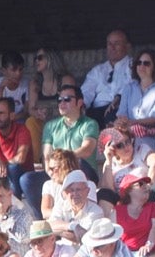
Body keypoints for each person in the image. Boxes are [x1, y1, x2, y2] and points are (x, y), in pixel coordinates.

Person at [20, 84, 100, 216]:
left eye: (67, 99)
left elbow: (87, 150)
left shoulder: (90, 124)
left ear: (79, 102)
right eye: (60, 100)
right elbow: (46, 156)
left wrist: (63, 160)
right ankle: (43, 219)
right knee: (27, 179)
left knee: (78, 162)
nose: (62, 103)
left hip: (81, 172)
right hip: (56, 172)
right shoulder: (50, 126)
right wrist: (52, 171)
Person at [26, 48, 75, 159]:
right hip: (43, 121)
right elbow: (31, 109)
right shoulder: (35, 83)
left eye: (40, 58)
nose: (36, 61)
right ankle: (37, 161)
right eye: (35, 59)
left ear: (51, 58)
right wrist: (37, 113)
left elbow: (72, 103)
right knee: (31, 122)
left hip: (62, 119)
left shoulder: (65, 79)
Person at [116, 48, 155, 148]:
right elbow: (122, 113)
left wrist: (134, 123)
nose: (141, 66)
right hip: (127, 135)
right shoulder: (128, 88)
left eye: (146, 63)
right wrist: (127, 125)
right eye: (139, 63)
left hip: (149, 137)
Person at [81, 30, 133, 126]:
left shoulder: (134, 65)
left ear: (127, 46)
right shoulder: (98, 70)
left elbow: (133, 85)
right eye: (109, 44)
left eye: (117, 44)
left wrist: (119, 98)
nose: (112, 48)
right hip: (97, 111)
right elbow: (86, 91)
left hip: (121, 109)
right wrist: (81, 106)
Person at [97, 123, 155, 199]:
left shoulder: (140, 150)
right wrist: (108, 160)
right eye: (119, 145)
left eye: (127, 141)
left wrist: (148, 185)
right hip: (124, 201)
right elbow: (108, 191)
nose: (126, 147)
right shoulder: (109, 164)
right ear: (112, 149)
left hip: (147, 196)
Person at [49, 170, 104, 244]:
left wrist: (58, 230)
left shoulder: (96, 211)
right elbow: (50, 226)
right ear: (65, 193)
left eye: (78, 190)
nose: (75, 194)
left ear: (87, 191)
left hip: (85, 252)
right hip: (63, 251)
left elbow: (84, 238)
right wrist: (72, 226)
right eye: (71, 190)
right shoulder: (61, 205)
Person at [114, 174, 155, 257]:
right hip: (126, 254)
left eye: (146, 184)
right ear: (128, 190)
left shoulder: (153, 206)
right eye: (140, 184)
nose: (146, 187)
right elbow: (114, 235)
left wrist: (148, 246)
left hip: (150, 253)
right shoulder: (117, 210)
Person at [0, 176, 33, 256]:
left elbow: (23, 238)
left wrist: (4, 217)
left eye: (0, 196)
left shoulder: (23, 215)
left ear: (9, 194)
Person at [0, 51, 29, 122]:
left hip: (18, 119)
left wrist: (9, 120)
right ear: (4, 71)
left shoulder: (26, 84)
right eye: (14, 70)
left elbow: (26, 112)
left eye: (20, 69)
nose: (18, 73)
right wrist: (1, 88)